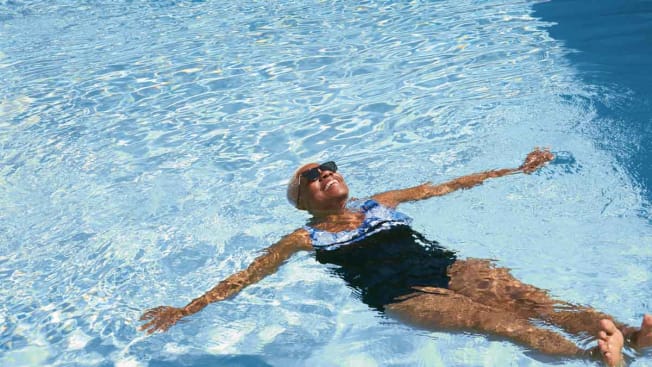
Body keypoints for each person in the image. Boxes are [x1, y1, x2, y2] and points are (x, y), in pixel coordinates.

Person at [140, 148, 652, 367]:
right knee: (505, 326)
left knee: (536, 302)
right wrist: (184, 311)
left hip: (449, 268)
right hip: (403, 294)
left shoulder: (383, 202)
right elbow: (243, 278)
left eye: (328, 167)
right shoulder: (300, 239)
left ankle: (629, 335)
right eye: (311, 177)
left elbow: (449, 185)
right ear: (302, 200)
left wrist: (515, 171)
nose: (324, 175)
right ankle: (592, 360)